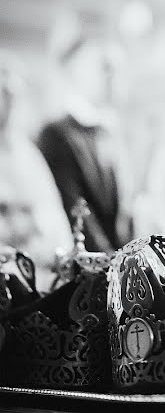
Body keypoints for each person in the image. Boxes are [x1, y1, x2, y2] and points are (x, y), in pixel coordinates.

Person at [36, 32, 129, 253]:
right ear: (76, 70)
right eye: (100, 66)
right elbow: (75, 213)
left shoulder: (105, 132)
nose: (108, 76)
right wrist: (112, 262)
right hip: (87, 267)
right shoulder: (55, 135)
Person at [0, 53, 72, 291]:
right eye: (3, 93)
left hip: (38, 275)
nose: (9, 102)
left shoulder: (27, 153)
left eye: (13, 95)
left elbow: (54, 218)